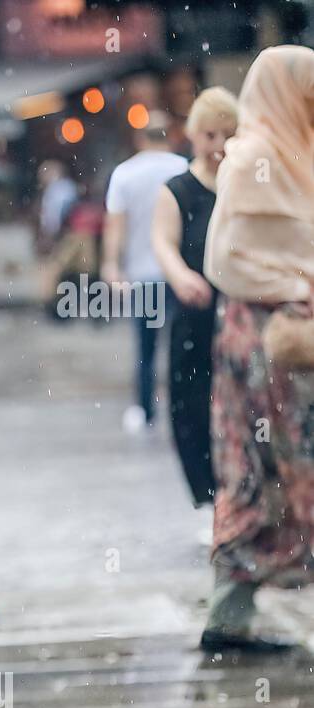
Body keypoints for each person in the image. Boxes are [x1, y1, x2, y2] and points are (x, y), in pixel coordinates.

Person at [200, 45, 314, 654]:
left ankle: (231, 617)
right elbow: (224, 260)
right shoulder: (251, 159)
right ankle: (228, 617)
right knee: (258, 471)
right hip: (262, 348)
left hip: (297, 346)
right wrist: (294, 288)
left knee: (297, 471)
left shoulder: (301, 153)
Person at [150, 87, 239, 515]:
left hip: (242, 311)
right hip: (196, 313)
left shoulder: (246, 181)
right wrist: (181, 275)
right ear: (193, 136)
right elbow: (163, 243)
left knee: (244, 406)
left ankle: (244, 497)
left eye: (228, 135)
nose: (219, 146)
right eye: (210, 135)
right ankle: (208, 498)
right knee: (192, 404)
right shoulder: (177, 189)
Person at [101, 111, 188, 434]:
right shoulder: (184, 169)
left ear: (140, 139)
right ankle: (183, 405)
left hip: (142, 276)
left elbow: (116, 227)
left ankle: (145, 408)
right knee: (183, 344)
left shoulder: (124, 174)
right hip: (180, 273)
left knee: (146, 347)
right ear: (170, 135)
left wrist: (112, 265)